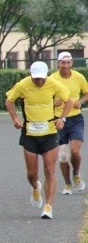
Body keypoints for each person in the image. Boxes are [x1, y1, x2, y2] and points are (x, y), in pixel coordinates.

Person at [5, 61, 71, 219]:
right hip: (30, 134)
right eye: (36, 78)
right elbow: (9, 100)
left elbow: (68, 100)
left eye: (42, 78)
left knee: (49, 170)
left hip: (49, 132)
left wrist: (62, 118)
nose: (39, 81)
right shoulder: (23, 85)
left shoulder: (54, 84)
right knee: (32, 173)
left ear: (46, 75)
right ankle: (35, 187)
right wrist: (14, 118)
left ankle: (48, 206)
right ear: (31, 75)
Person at [51, 52, 88, 194]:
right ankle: (67, 184)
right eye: (62, 62)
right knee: (63, 156)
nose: (65, 65)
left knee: (75, 151)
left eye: (68, 62)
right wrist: (53, 102)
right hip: (58, 120)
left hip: (75, 119)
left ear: (71, 63)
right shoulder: (52, 79)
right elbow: (45, 97)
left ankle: (76, 174)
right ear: (58, 64)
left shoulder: (79, 77)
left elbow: (86, 93)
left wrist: (81, 101)